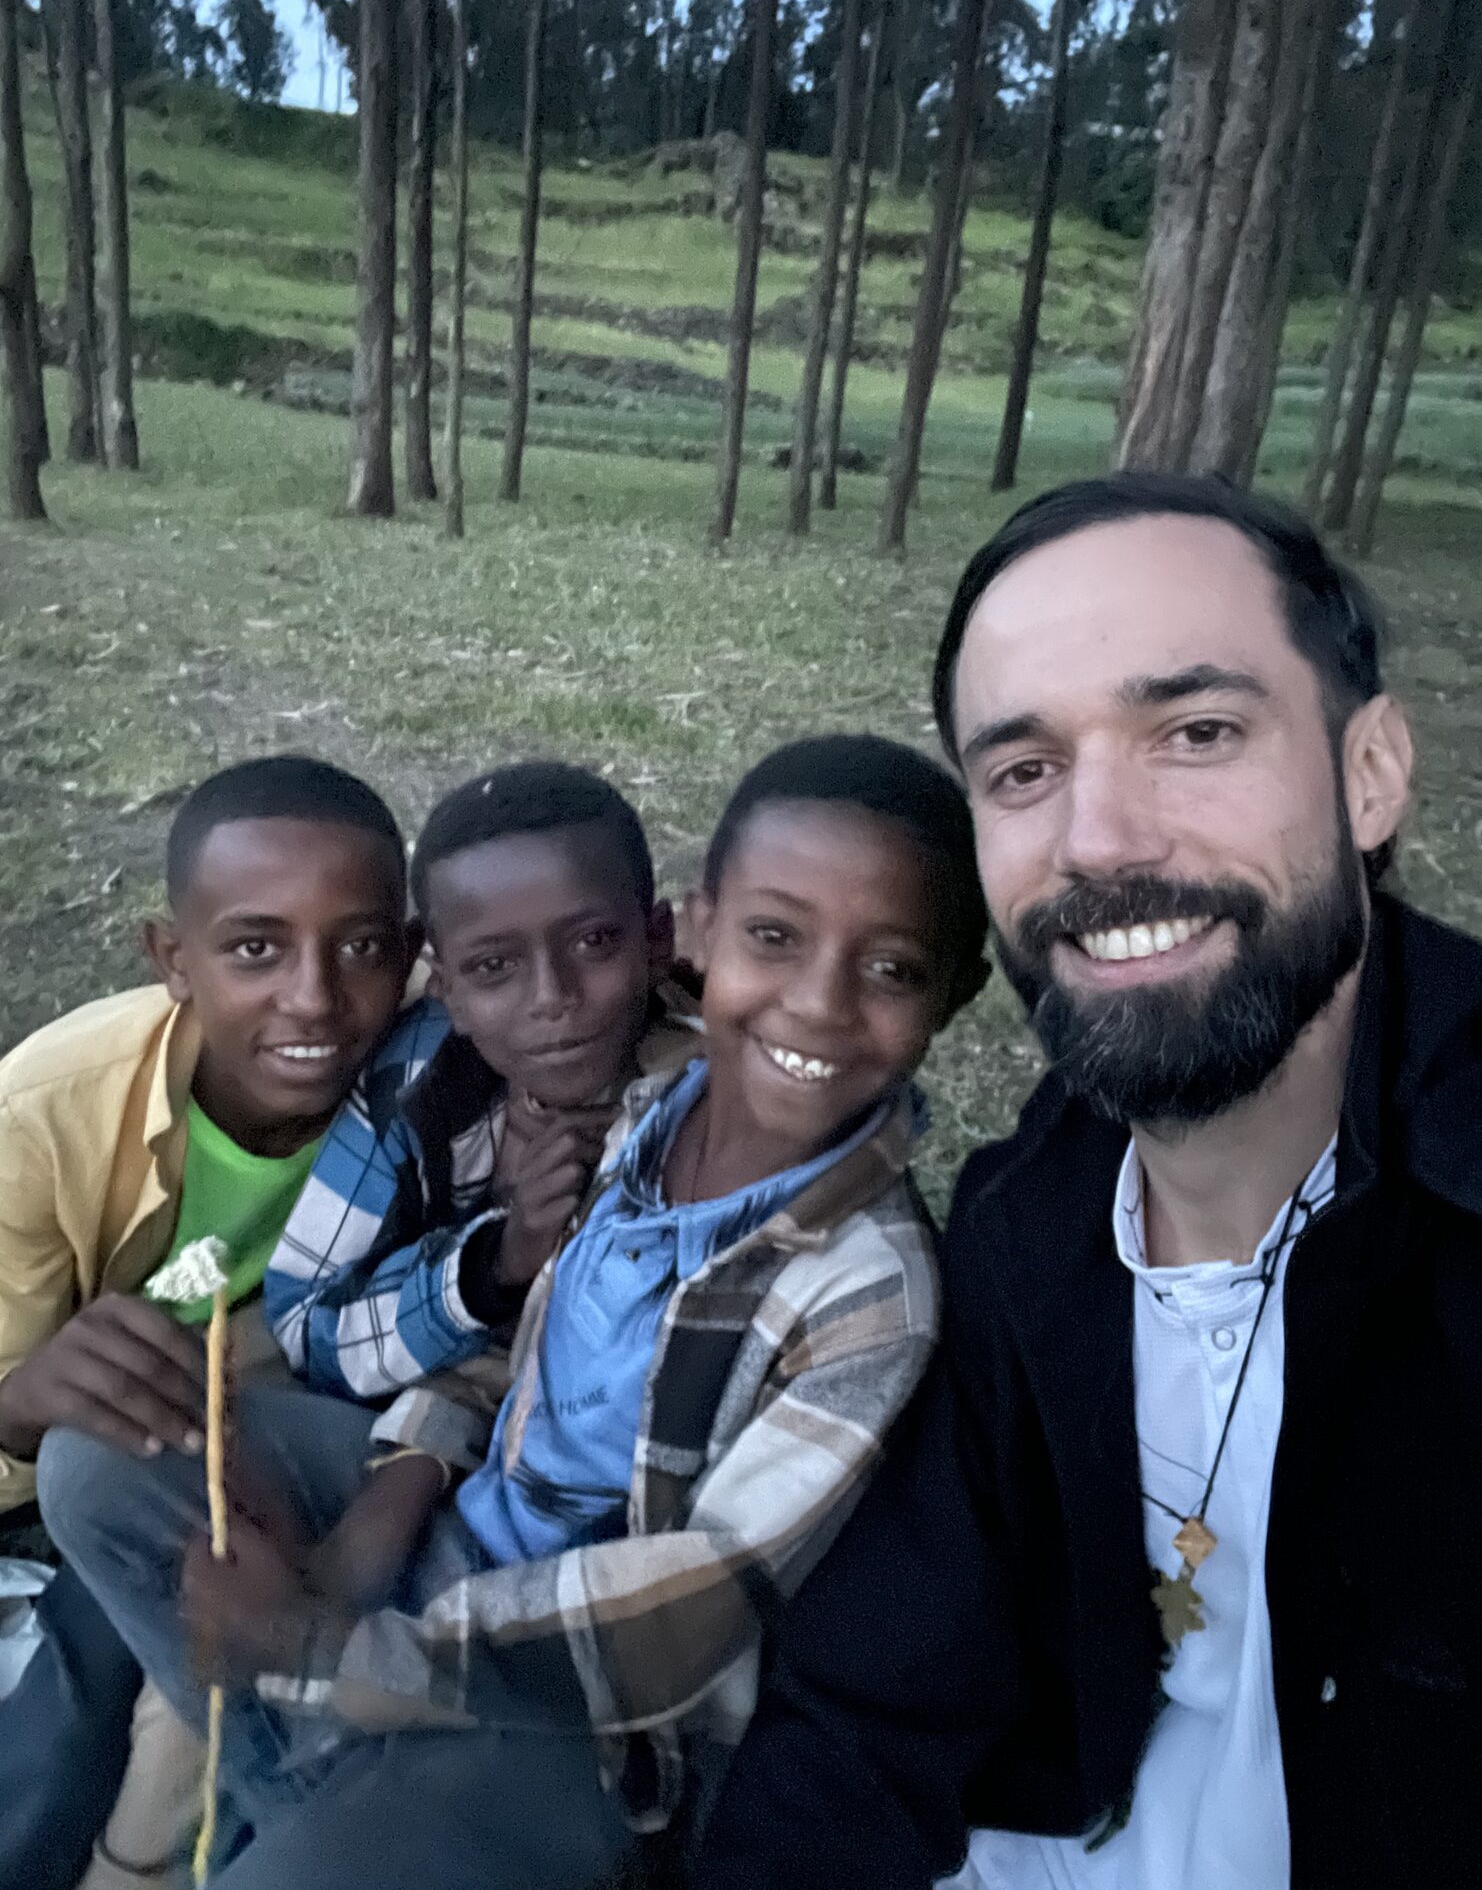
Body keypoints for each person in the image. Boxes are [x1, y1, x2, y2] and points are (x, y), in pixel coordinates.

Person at [696, 473, 1482, 1890]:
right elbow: (865, 1718)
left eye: (1196, 732)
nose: (1100, 841)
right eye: (1024, 770)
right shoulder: (1032, 1219)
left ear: (1370, 774)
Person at [37, 734, 990, 1890]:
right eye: (775, 938)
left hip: (586, 1712)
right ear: (700, 932)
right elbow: (531, 1349)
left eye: (890, 969)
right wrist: (399, 1485)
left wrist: (315, 1644)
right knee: (96, 1462)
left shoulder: (871, 1291)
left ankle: (342, 1791)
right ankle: (337, 1784)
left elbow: (703, 1599)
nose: (821, 1004)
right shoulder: (655, 1108)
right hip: (463, 1531)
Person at [0, 755, 425, 1890]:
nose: (315, 999)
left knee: (195, 1657)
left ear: (415, 949)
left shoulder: (440, 1073)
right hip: (96, 1484)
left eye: (364, 946)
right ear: (169, 958)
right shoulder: (44, 1115)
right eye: (253, 948)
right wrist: (22, 1400)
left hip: (293, 1449)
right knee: (87, 1686)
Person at [265, 760, 688, 1608]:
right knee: (101, 1471)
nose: (553, 999)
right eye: (493, 967)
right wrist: (495, 1260)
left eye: (595, 942)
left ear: (658, 941)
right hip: (409, 1425)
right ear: (444, 986)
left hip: (611, 1510)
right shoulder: (417, 1080)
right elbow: (304, 1324)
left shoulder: (709, 1105)